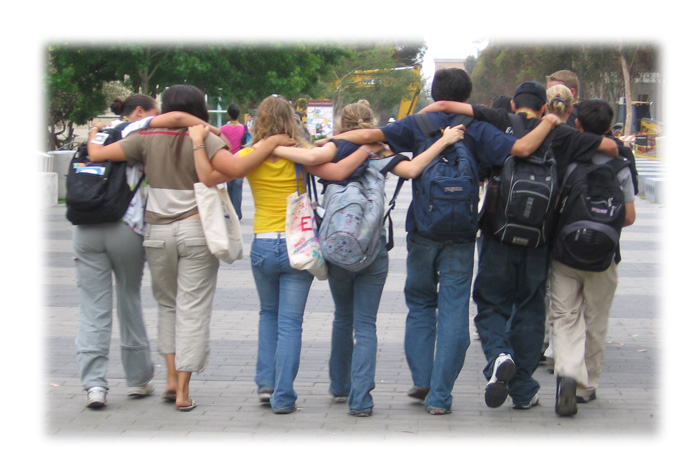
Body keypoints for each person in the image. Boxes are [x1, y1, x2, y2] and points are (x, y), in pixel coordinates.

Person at [317, 69, 560, 415]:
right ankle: (440, 398)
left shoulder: (415, 124)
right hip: (461, 235)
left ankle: (424, 379)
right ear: (467, 93)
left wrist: (323, 141)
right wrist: (549, 122)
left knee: (419, 305)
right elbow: (521, 148)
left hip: (423, 232)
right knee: (454, 313)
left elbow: (368, 135)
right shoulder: (477, 127)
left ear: (434, 93)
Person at [87, 85, 290, 412]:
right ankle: (183, 391)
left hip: (156, 232)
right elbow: (235, 170)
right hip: (197, 230)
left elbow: (97, 155)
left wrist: (95, 134)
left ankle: (169, 377)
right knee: (193, 309)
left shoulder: (144, 138)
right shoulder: (206, 138)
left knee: (167, 306)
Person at [420, 80, 620, 410]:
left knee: (491, 302)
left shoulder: (497, 120)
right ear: (544, 107)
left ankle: (499, 355)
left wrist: (421, 118)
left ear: (513, 104)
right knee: (530, 308)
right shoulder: (562, 133)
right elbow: (610, 148)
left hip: (498, 234)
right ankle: (524, 390)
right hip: (540, 239)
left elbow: (446, 108)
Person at [270, 101, 466, 417]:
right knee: (366, 325)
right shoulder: (381, 152)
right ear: (372, 124)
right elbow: (414, 169)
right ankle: (361, 400)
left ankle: (339, 385)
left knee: (342, 317)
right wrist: (444, 141)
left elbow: (313, 161)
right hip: (373, 250)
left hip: (338, 249)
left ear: (341, 125)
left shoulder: (334, 149)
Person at [548, 99, 636, 416]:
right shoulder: (622, 163)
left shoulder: (570, 160)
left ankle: (569, 371)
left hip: (566, 255)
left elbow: (556, 203)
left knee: (564, 316)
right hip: (604, 257)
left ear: (579, 126)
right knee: (595, 320)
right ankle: (586, 388)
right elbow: (628, 217)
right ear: (610, 129)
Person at [75, 93, 159, 409]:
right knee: (128, 298)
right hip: (126, 226)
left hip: (84, 227)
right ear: (139, 112)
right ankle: (138, 379)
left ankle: (94, 384)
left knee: (92, 306)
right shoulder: (135, 132)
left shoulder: (96, 133)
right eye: (154, 112)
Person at [221, 103, 246, 220]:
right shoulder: (244, 129)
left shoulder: (223, 129)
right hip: (240, 162)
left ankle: (230, 213)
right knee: (238, 188)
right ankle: (237, 214)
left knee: (229, 187)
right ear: (238, 114)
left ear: (228, 115)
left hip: (226, 162)